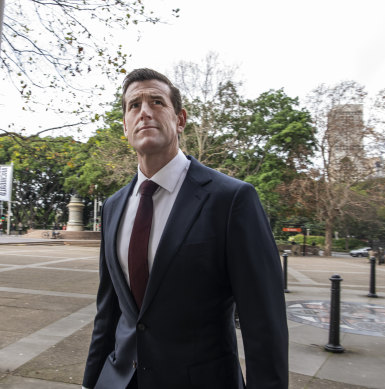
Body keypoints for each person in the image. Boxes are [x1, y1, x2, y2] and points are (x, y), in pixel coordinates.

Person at [82, 68, 288, 389]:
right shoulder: (113, 207)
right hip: (118, 381)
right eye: (134, 105)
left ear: (180, 119)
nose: (145, 112)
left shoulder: (232, 200)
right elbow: (108, 314)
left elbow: (264, 325)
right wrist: (90, 381)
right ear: (125, 126)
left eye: (157, 102)